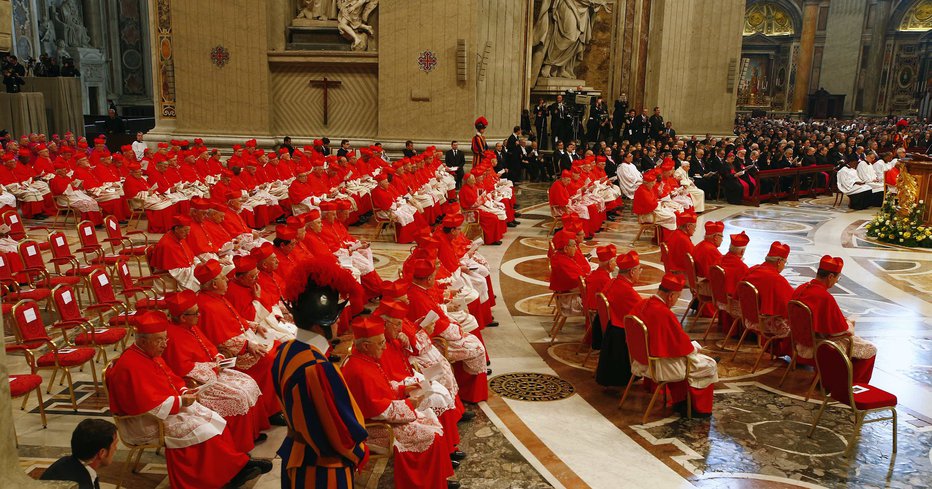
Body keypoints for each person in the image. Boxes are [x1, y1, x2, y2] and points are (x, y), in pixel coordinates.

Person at [105, 312, 271, 489]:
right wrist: (179, 402)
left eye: (165, 339)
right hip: (145, 420)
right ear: (143, 341)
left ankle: (234, 468)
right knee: (201, 427)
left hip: (165, 409)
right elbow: (141, 403)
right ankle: (211, 479)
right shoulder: (130, 365)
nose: (165, 345)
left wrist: (184, 390)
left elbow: (171, 377)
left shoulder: (150, 353)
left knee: (213, 417)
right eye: (159, 340)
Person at [274, 254, 369, 489]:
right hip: (322, 470)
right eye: (335, 319)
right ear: (321, 325)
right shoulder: (318, 368)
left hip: (295, 459)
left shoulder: (285, 350)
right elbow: (341, 431)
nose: (339, 325)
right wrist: (359, 452)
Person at [162, 290, 266, 453]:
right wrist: (213, 367)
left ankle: (252, 433)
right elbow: (183, 368)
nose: (199, 316)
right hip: (199, 383)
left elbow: (208, 346)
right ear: (183, 317)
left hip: (214, 371)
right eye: (196, 313)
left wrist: (217, 358)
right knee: (237, 397)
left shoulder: (191, 326)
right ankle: (239, 445)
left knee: (249, 383)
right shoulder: (172, 336)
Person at [630, 274, 718, 417]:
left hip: (640, 361)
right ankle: (696, 409)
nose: (676, 301)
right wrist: (695, 348)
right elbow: (684, 349)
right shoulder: (664, 313)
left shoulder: (642, 304)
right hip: (659, 366)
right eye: (677, 297)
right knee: (710, 364)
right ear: (671, 296)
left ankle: (681, 401)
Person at [791, 255, 877, 383]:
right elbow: (840, 331)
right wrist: (849, 324)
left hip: (798, 340)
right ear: (830, 276)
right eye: (838, 278)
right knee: (870, 349)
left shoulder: (801, 288)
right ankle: (848, 386)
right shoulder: (824, 297)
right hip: (820, 345)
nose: (836, 281)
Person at [595, 250, 642, 388]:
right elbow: (643, 313)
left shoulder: (612, 282)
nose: (640, 272)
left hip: (610, 331)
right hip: (621, 335)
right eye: (639, 269)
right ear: (632, 272)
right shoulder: (627, 292)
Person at [741, 241, 793, 356]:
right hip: (764, 325)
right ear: (779, 262)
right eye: (785, 262)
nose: (784, 265)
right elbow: (790, 305)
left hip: (748, 319)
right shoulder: (776, 279)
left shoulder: (753, 269)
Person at [40, 419, 118, 489]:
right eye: (114, 445)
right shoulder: (82, 486)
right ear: (102, 453)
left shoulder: (63, 462)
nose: (116, 449)